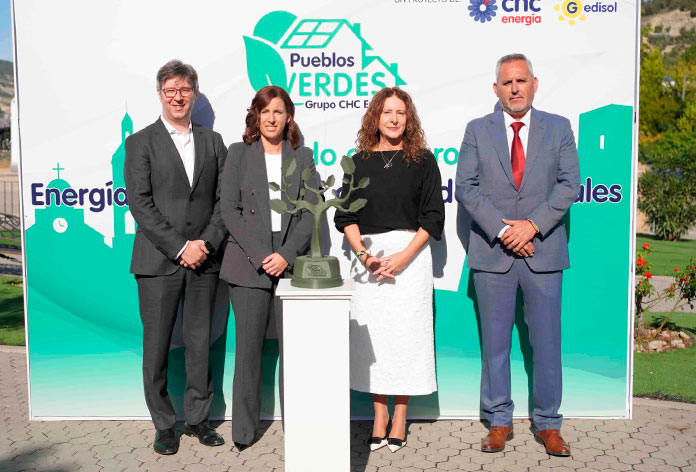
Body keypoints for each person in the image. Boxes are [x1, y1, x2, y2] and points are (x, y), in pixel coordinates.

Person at [455, 53, 581, 456]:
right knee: (495, 345)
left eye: (521, 81)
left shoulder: (559, 128)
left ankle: (548, 423)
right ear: (496, 89)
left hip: (544, 253)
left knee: (546, 344)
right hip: (493, 254)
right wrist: (506, 231)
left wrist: (532, 225)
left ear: (534, 84)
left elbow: (570, 184)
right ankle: (498, 421)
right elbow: (466, 187)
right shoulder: (477, 130)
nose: (514, 88)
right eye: (507, 82)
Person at [124, 59, 227, 455]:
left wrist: (205, 243)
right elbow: (140, 203)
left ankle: (199, 419)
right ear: (160, 94)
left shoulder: (213, 142)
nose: (178, 96)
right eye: (170, 90)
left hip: (205, 261)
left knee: (201, 344)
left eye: (185, 89)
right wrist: (181, 247)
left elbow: (223, 200)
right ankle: (165, 425)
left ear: (194, 94)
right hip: (157, 262)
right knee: (157, 347)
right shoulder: (140, 143)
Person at [334, 87, 445, 453]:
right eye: (387, 112)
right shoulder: (358, 161)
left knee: (406, 338)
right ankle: (378, 416)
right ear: (375, 118)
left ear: (408, 119)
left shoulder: (423, 161)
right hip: (368, 261)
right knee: (376, 340)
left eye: (400, 112)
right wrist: (365, 256)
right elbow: (346, 216)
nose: (394, 119)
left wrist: (403, 257)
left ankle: (400, 417)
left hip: (410, 261)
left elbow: (433, 216)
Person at [220, 85, 318, 451]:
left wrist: (286, 255)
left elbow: (311, 210)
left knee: (295, 353)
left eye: (278, 111)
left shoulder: (303, 157)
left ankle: (300, 427)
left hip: (289, 266)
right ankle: (244, 433)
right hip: (249, 265)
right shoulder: (238, 153)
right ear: (256, 116)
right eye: (265, 112)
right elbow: (229, 210)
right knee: (248, 354)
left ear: (288, 116)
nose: (271, 118)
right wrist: (263, 254)